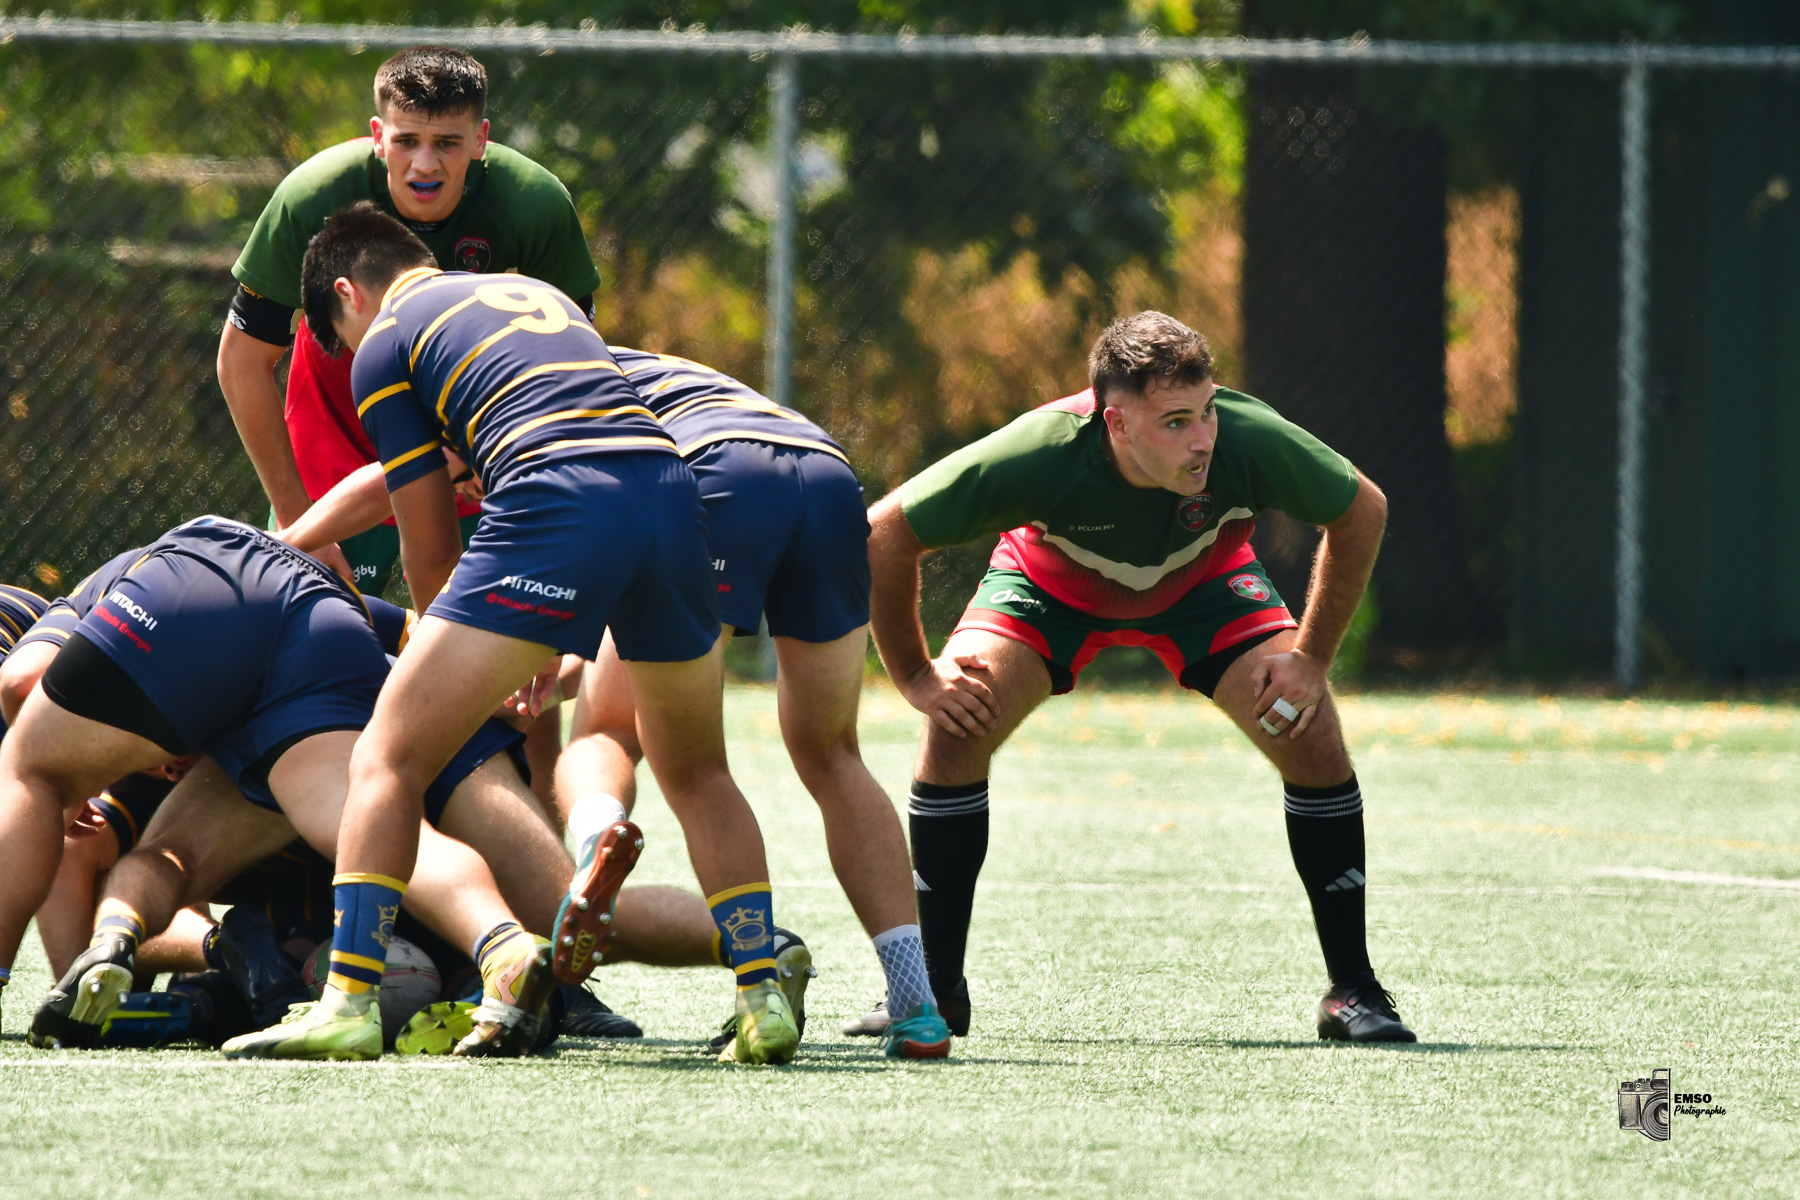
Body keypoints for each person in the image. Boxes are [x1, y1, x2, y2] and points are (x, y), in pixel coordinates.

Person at [228, 203, 798, 1065]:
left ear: (348, 292)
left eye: (336, 339)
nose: (348, 358)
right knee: (697, 767)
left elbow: (428, 537)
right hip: (671, 496)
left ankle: (345, 1002)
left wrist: (448, 647)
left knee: (386, 754)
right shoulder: (531, 293)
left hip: (557, 500)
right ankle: (761, 995)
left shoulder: (385, 342)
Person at [855, 311, 1416, 1044]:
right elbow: (884, 534)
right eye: (1176, 422)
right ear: (1114, 424)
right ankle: (934, 991)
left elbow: (1361, 509)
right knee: (962, 722)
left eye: (1207, 411)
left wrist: (1308, 661)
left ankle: (1354, 992)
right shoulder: (1042, 452)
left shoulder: (1248, 439)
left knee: (1311, 733)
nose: (1203, 438)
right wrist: (918, 678)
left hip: (1203, 585)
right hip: (1049, 590)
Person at [0, 517, 557, 1058]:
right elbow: (426, 643)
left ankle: (95, 948)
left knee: (31, 770)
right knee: (366, 825)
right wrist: (525, 663)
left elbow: (22, 682)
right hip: (319, 613)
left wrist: (64, 790)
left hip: (209, 570)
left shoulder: (81, 608)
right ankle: (501, 943)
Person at [219, 44, 594, 810]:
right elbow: (242, 363)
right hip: (334, 437)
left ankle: (541, 865)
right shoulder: (311, 196)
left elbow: (567, 358)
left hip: (472, 447)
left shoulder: (534, 206)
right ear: (376, 134)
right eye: (408, 140)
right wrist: (301, 520)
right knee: (299, 643)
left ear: (481, 141)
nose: (426, 162)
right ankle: (294, 868)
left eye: (448, 143)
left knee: (516, 659)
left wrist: (500, 467)